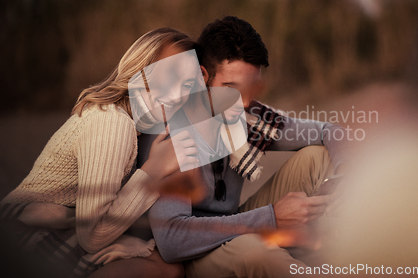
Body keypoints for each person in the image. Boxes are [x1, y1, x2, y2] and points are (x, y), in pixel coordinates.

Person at [147, 16, 350, 278]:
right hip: (194, 254)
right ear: (202, 77)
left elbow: (328, 130)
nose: (243, 103)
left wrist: (347, 171)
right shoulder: (174, 130)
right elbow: (172, 240)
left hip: (236, 224)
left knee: (317, 156)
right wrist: (271, 217)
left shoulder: (250, 118)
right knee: (258, 255)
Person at [0, 27, 199, 278]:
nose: (179, 94)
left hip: (53, 224)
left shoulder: (124, 120)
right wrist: (154, 170)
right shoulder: (113, 123)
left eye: (188, 85)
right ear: (140, 69)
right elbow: (92, 236)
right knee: (165, 267)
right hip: (20, 235)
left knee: (160, 257)